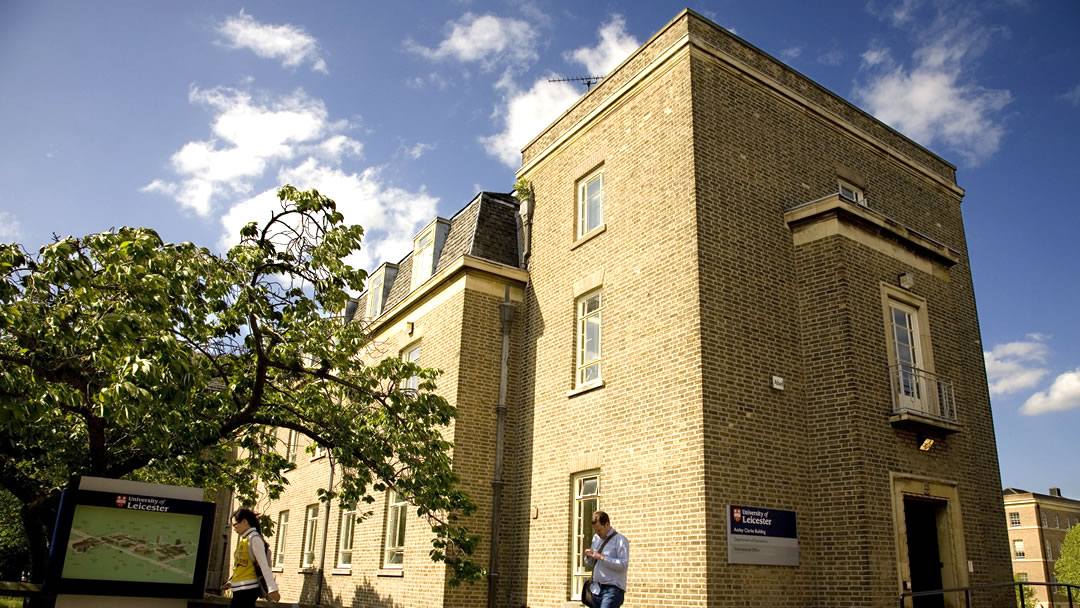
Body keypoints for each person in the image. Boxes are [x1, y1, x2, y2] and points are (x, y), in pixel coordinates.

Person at [222, 508, 280, 606]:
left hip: (248, 588)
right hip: (239, 589)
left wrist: (272, 588)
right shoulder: (244, 540)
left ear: (245, 522)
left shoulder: (255, 539)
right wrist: (231, 581)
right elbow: (241, 566)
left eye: (235, 525)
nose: (234, 529)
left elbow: (264, 565)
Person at [583, 510, 629, 608]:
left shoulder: (620, 540)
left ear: (607, 524)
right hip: (595, 589)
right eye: (595, 530)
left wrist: (602, 557)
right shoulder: (596, 538)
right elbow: (591, 563)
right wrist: (588, 556)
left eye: (599, 530)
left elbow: (623, 565)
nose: (597, 533)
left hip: (612, 590)